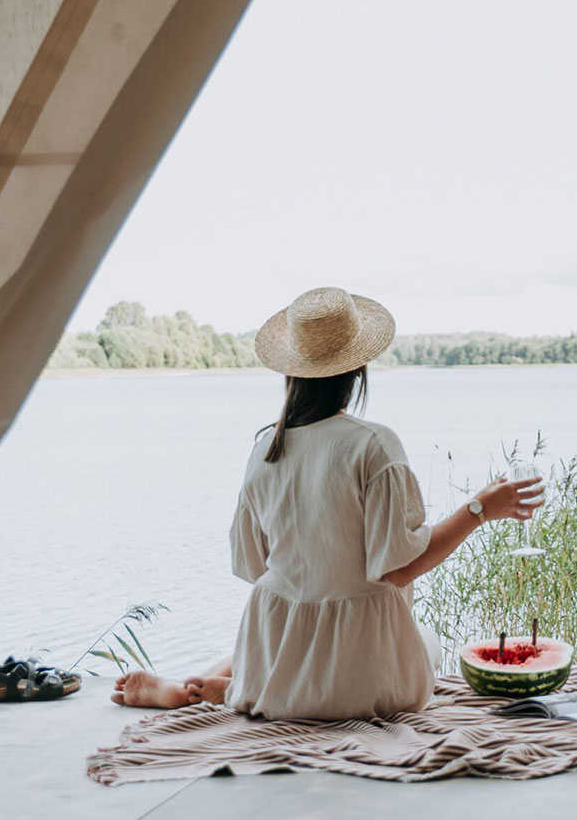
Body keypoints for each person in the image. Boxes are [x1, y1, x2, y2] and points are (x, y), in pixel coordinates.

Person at [112, 287, 544, 719]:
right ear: (358, 369)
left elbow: (251, 566)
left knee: (290, 620)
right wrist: (479, 509)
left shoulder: (264, 451)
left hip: (276, 671)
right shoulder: (372, 446)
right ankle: (226, 683)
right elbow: (398, 569)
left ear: (291, 371)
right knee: (426, 641)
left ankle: (214, 684)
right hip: (363, 684)